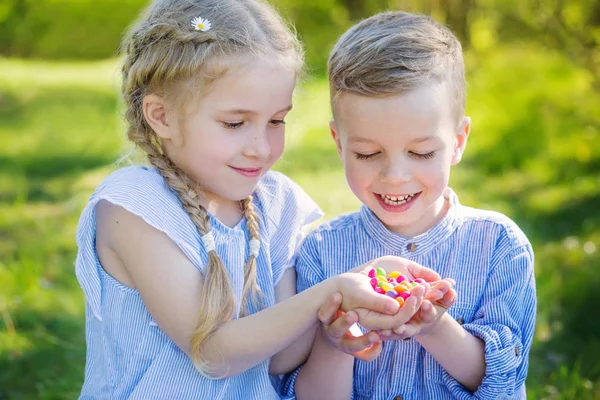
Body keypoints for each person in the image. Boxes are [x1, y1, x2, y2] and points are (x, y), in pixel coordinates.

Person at [74, 2, 437, 399]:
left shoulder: (276, 204)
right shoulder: (134, 208)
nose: (261, 148)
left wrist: (356, 291)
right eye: (234, 123)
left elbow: (280, 358)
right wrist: (330, 290)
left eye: (276, 121)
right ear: (161, 115)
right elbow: (212, 353)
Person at [289, 11, 537, 400]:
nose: (394, 176)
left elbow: (502, 384)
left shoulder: (499, 246)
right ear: (339, 144)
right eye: (368, 153)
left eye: (420, 152)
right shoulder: (320, 252)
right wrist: (336, 344)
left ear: (457, 141)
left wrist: (434, 326)